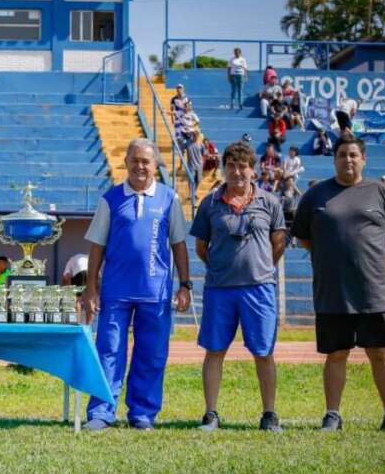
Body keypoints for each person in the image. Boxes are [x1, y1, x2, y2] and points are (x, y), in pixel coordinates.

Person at [290, 133, 385, 432]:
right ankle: (333, 414)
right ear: (335, 159)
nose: (348, 160)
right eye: (342, 155)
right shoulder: (316, 196)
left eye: (354, 155)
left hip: (373, 292)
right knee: (336, 354)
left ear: (364, 159)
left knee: (379, 353)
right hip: (333, 293)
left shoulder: (382, 194)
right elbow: (303, 236)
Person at [82, 138, 192, 430]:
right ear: (126, 162)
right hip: (116, 292)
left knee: (152, 353)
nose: (140, 166)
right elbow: (97, 246)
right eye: (135, 160)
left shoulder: (169, 199)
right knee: (109, 350)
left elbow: (179, 244)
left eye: (146, 161)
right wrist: (91, 287)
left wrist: (185, 284)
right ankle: (102, 412)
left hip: (156, 293)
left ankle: (143, 413)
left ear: (155, 165)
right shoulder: (110, 199)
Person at [190, 141, 287, 431]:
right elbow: (201, 246)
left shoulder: (270, 202)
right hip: (220, 288)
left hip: (259, 288)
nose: (237, 171)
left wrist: (258, 265)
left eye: (243, 166)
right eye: (231, 165)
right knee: (215, 350)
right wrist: (223, 266)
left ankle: (269, 414)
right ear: (224, 168)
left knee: (263, 351)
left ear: (252, 170)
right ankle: (211, 413)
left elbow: (278, 243)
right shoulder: (209, 203)